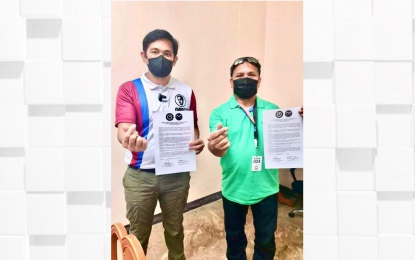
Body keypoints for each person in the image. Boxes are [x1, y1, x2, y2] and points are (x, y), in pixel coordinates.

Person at [115, 29, 205, 260]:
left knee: (175, 230)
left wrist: (196, 142)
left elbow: (192, 126)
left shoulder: (186, 91)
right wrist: (129, 140)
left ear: (175, 60)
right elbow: (124, 129)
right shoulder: (129, 89)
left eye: (167, 54)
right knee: (138, 235)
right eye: (154, 52)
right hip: (140, 176)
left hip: (176, 175)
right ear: (144, 56)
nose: (161, 58)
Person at [208, 57, 303, 260]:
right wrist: (214, 147)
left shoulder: (273, 110)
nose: (245, 79)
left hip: (267, 187)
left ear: (259, 80)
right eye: (239, 76)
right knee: (234, 239)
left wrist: (300, 124)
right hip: (234, 188)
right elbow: (217, 149)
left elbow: (286, 142)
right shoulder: (219, 113)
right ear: (231, 81)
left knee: (266, 239)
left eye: (251, 75)